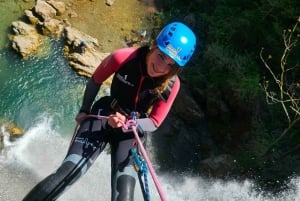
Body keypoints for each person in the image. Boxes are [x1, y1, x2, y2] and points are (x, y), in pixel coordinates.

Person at [22, 21, 196, 201]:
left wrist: (131, 124)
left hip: (133, 129)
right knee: (67, 174)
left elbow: (154, 122)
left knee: (125, 196)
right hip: (104, 114)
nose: (161, 67)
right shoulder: (123, 58)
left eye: (170, 65)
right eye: (161, 56)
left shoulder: (172, 84)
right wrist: (84, 110)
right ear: (153, 46)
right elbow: (96, 80)